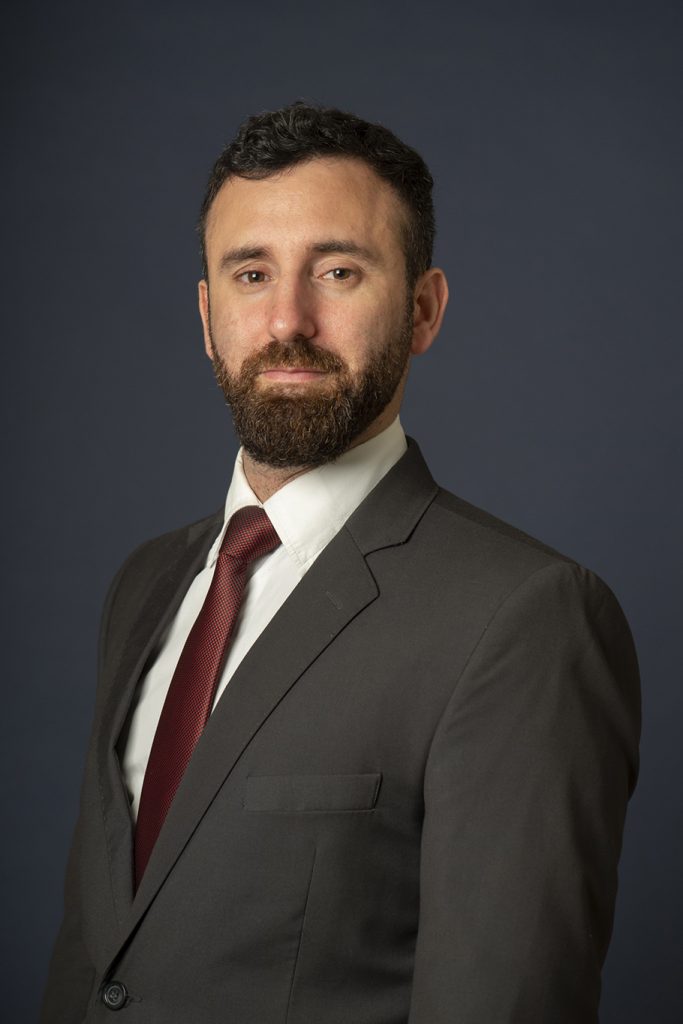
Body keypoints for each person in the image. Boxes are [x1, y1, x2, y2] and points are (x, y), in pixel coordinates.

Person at [41, 103, 640, 1024]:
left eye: (338, 271)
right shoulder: (147, 584)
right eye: (251, 273)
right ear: (207, 315)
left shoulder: (526, 615)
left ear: (422, 310)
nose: (288, 318)